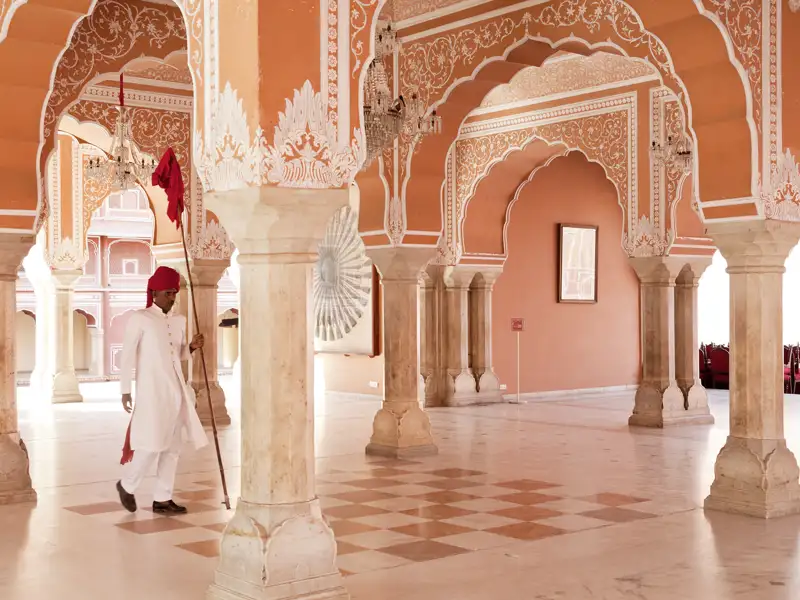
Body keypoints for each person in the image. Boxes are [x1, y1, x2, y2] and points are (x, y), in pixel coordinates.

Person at [115, 266, 208, 514]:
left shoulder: (179, 321)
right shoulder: (141, 318)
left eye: (174, 293)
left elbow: (178, 354)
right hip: (152, 392)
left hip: (177, 391)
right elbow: (127, 357)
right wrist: (125, 390)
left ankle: (162, 498)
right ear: (154, 292)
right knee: (152, 443)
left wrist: (191, 347)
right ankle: (127, 485)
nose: (172, 297)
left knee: (172, 448)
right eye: (168, 293)